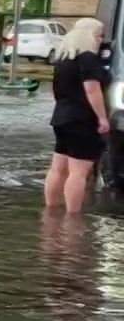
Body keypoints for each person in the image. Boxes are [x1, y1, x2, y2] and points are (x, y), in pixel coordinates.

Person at [43, 17, 110, 214]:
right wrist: (102, 118)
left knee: (58, 169)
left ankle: (50, 211)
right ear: (88, 36)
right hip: (82, 119)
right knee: (79, 173)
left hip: (61, 117)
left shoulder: (63, 60)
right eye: (99, 35)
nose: (101, 40)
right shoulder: (88, 58)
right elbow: (92, 90)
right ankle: (73, 218)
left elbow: (56, 91)